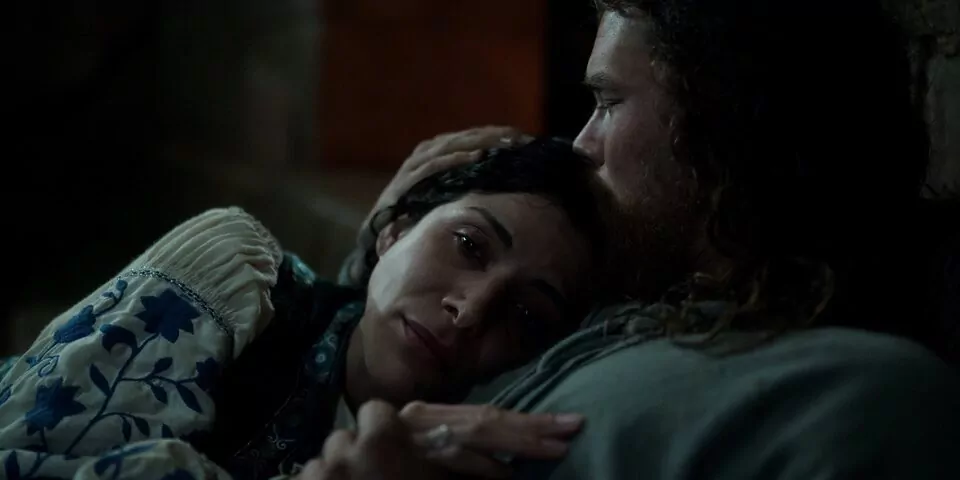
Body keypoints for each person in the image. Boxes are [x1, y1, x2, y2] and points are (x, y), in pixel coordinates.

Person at [321, 0, 960, 479]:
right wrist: (386, 247)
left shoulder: (849, 393)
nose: (582, 145)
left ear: (717, 118)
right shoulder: (599, 302)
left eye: (607, 101)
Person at [0, 139, 614, 480]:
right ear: (395, 231)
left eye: (527, 316)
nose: (471, 310)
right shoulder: (239, 280)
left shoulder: (455, 457)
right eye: (468, 245)